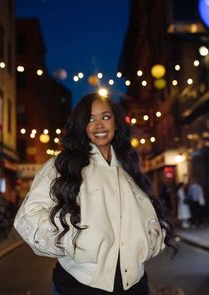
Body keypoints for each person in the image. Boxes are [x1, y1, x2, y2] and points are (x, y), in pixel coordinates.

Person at [14, 93, 176, 295]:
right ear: (81, 125)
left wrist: (150, 239)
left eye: (106, 117)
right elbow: (28, 215)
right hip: (79, 285)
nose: (99, 124)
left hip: (135, 285)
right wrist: (73, 239)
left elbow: (149, 216)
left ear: (116, 123)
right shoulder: (62, 165)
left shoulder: (128, 167)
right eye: (90, 119)